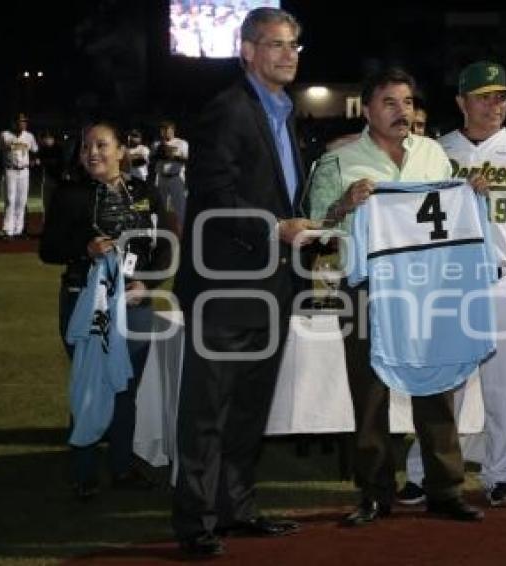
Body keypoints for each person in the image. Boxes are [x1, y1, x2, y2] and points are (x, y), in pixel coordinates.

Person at [309, 66, 484, 527]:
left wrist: (472, 197)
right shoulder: (339, 161)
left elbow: (449, 215)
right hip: (366, 290)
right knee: (370, 397)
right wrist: (343, 205)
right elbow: (314, 231)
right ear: (366, 109)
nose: (401, 111)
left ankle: (445, 489)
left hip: (425, 290)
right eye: (390, 102)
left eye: (407, 102)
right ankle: (373, 492)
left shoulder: (432, 153)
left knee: (437, 388)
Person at [171, 7, 315, 558]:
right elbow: (213, 198)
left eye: (294, 45)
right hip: (226, 291)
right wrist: (275, 228)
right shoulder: (227, 110)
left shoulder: (284, 112)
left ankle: (237, 507)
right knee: (207, 412)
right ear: (247, 51)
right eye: (276, 44)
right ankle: (195, 522)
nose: (288, 55)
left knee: (250, 409)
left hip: (271, 289)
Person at [398, 61, 506, 508]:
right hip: (448, 283)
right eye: (485, 96)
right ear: (461, 102)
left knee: (504, 386)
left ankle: (503, 476)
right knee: (440, 385)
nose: (496, 104)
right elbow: (411, 222)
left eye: (502, 96)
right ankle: (424, 472)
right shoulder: (433, 153)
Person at [39, 121, 173, 500]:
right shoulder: (69, 193)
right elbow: (47, 249)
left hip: (134, 304)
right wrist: (85, 248)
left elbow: (163, 246)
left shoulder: (145, 191)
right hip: (86, 301)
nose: (92, 153)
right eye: (86, 147)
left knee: (125, 388)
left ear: (120, 151)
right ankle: (83, 473)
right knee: (89, 383)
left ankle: (121, 467)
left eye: (101, 145)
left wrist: (148, 283)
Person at [0, 113, 38, 239]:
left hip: (24, 171)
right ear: (14, 122)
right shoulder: (5, 134)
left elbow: (35, 150)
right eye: (20, 121)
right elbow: (4, 147)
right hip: (10, 170)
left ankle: (18, 230)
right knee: (10, 200)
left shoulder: (29, 136)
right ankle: (7, 230)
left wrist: (33, 160)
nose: (22, 123)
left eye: (24, 121)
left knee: (22, 201)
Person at [151, 120, 188, 231]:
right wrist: (161, 152)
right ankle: (160, 233)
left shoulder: (181, 143)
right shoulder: (156, 144)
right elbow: (151, 159)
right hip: (161, 178)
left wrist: (173, 156)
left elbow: (187, 159)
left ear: (173, 130)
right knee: (160, 207)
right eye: (163, 129)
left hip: (176, 178)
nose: (166, 132)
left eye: (169, 129)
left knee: (180, 207)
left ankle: (183, 232)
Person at [37, 130, 65, 217]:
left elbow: (59, 162)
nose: (47, 140)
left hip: (57, 178)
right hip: (46, 178)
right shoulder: (42, 149)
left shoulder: (58, 149)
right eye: (45, 138)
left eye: (49, 138)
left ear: (53, 139)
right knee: (46, 201)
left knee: (57, 201)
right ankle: (47, 219)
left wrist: (42, 162)